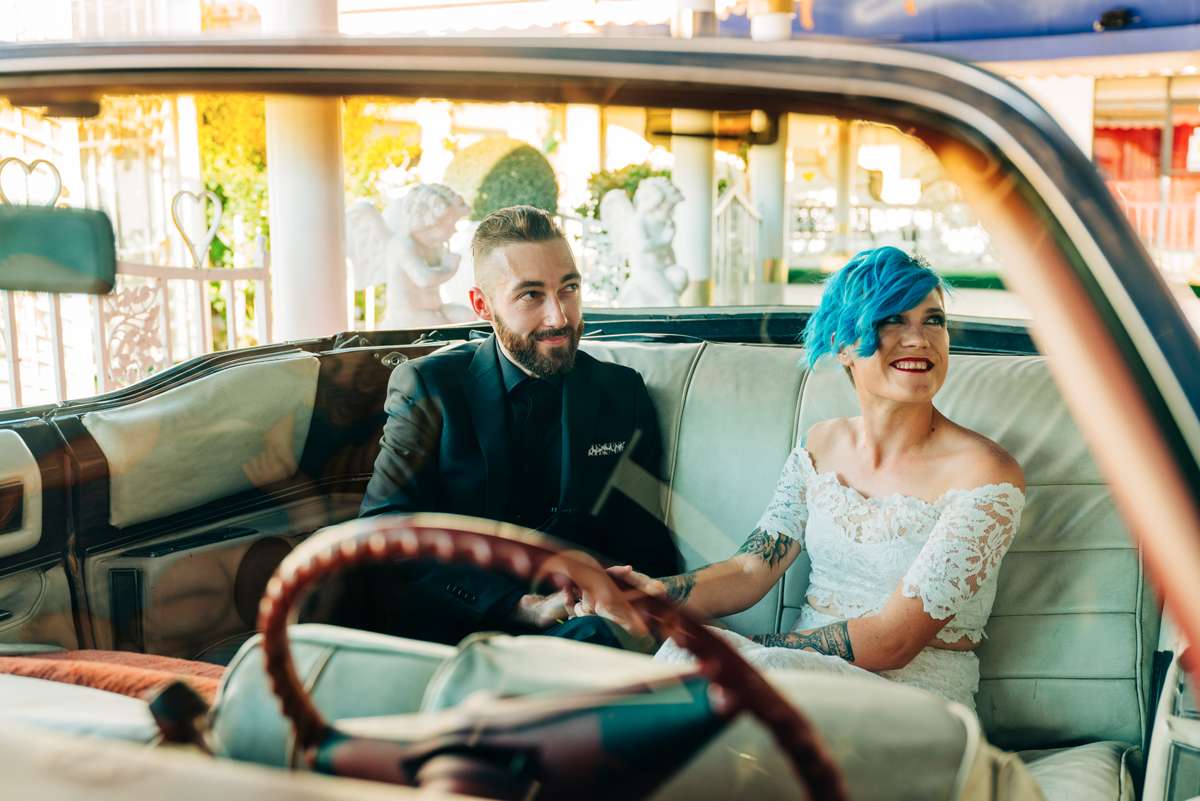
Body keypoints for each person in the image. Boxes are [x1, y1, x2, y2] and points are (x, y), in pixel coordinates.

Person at [575, 246, 1025, 710]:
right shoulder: (820, 445)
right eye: (892, 319)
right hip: (797, 683)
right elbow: (751, 569)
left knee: (705, 672)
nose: (919, 339)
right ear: (843, 344)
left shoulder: (985, 474)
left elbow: (893, 641)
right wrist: (651, 594)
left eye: (933, 320)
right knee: (672, 666)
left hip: (914, 703)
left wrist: (747, 651)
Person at [321, 205, 680, 648]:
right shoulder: (430, 387)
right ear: (482, 306)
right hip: (458, 626)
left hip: (582, 624)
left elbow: (645, 538)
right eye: (531, 295)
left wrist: (618, 591)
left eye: (568, 289)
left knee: (599, 634)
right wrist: (519, 606)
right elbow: (386, 533)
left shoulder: (621, 392)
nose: (559, 317)